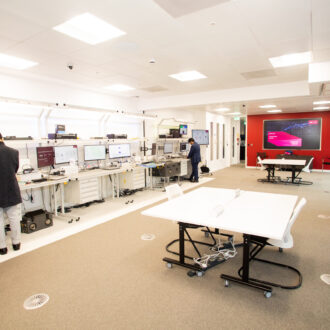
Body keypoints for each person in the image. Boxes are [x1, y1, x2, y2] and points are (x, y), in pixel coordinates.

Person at [0, 133, 22, 255]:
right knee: (14, 219)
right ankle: (16, 244)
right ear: (2, 138)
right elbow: (15, 169)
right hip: (11, 189)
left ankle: (2, 248)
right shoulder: (13, 152)